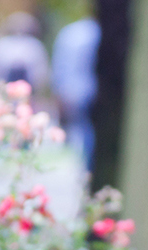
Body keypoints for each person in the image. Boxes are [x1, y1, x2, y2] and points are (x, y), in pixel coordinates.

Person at [51, 18, 100, 172]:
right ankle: (89, 169)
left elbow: (58, 68)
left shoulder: (69, 32)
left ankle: (85, 168)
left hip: (71, 92)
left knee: (82, 131)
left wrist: (60, 93)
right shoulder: (96, 31)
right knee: (89, 131)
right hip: (91, 89)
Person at [0, 12, 50, 91]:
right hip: (27, 92)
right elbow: (41, 78)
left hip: (4, 91)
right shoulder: (35, 45)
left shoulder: (0, 44)